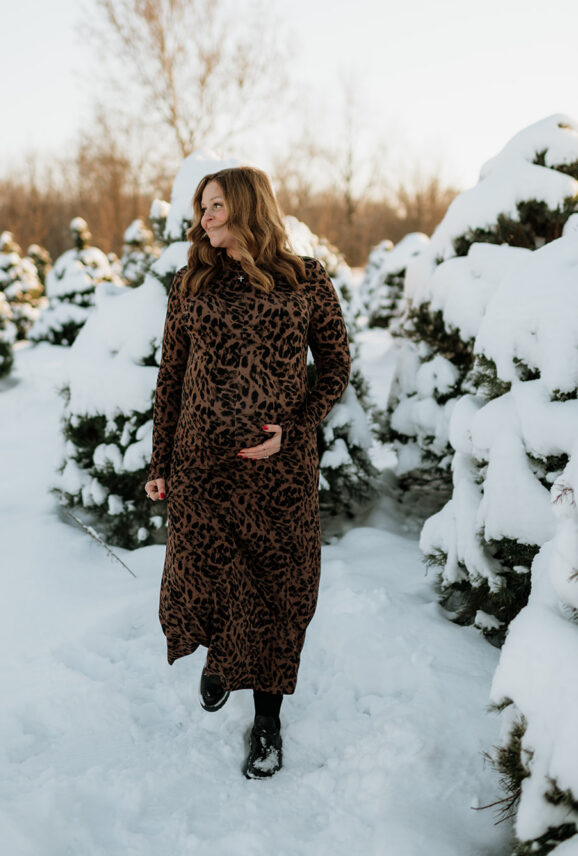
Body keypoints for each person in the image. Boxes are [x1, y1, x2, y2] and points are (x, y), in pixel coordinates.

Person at [144, 166, 351, 779]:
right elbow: (170, 377)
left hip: (280, 475)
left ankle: (267, 723)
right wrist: (160, 460)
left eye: (214, 207)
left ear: (245, 207)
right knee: (206, 576)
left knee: (281, 594)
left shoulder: (306, 279)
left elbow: (337, 364)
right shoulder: (191, 283)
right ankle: (219, 660)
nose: (203, 219)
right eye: (201, 208)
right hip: (202, 466)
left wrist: (298, 425)